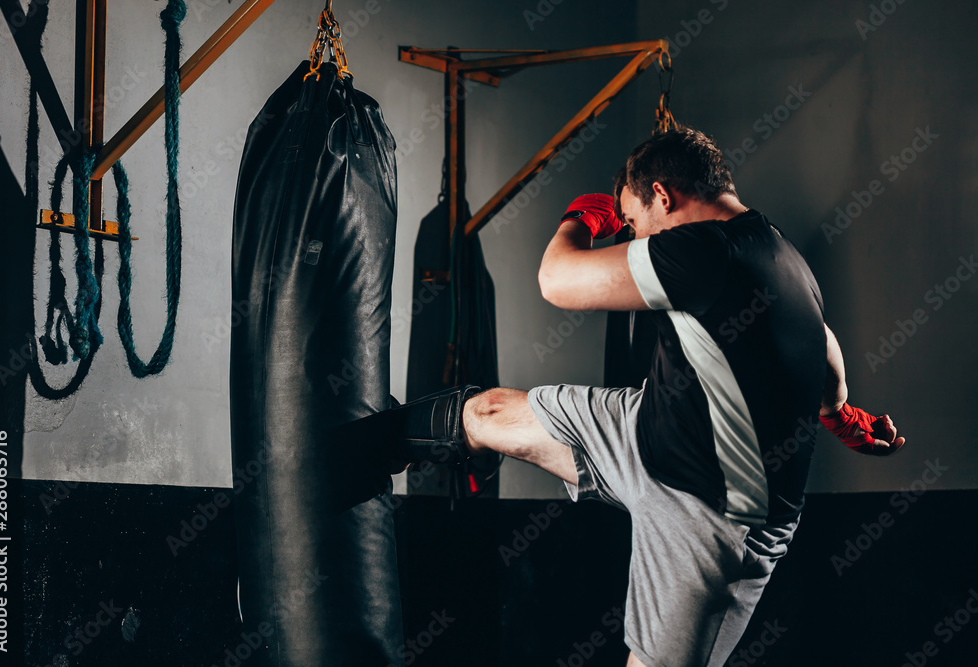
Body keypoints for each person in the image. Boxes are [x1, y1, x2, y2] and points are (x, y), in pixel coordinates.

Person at [333, 126, 906, 666]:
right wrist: (839, 413)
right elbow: (823, 344)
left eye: (632, 220)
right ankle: (368, 448)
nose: (631, 235)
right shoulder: (782, 254)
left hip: (707, 514)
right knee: (490, 411)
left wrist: (582, 220)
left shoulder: (702, 250)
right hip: (645, 428)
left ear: (662, 194)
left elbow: (556, 280)